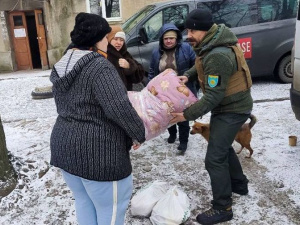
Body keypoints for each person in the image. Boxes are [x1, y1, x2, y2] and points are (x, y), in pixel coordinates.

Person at [49, 13, 145, 225]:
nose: (108, 41)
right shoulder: (99, 67)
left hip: (65, 149)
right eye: (105, 37)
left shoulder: (62, 64)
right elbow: (119, 107)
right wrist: (139, 133)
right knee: (111, 209)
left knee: (84, 201)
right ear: (97, 39)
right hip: (98, 155)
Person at [170, 9, 253, 224]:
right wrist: (188, 76)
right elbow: (202, 65)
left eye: (191, 30)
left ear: (204, 29)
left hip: (231, 110)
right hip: (229, 107)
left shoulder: (218, 54)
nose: (188, 35)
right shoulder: (211, 43)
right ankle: (239, 184)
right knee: (223, 147)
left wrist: (186, 115)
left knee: (214, 159)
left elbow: (214, 95)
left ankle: (222, 207)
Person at [148, 23, 197, 154]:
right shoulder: (156, 52)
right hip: (164, 91)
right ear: (162, 40)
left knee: (182, 116)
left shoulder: (186, 48)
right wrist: (150, 86)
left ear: (177, 39)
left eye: (172, 38)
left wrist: (189, 78)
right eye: (166, 38)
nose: (169, 41)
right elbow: (152, 70)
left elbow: (196, 66)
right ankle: (172, 134)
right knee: (167, 114)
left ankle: (183, 141)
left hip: (182, 90)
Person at [107, 25, 145, 91]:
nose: (119, 43)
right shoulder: (105, 55)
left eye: (121, 40)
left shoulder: (124, 53)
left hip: (126, 95)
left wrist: (129, 66)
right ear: (109, 40)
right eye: (115, 39)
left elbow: (140, 75)